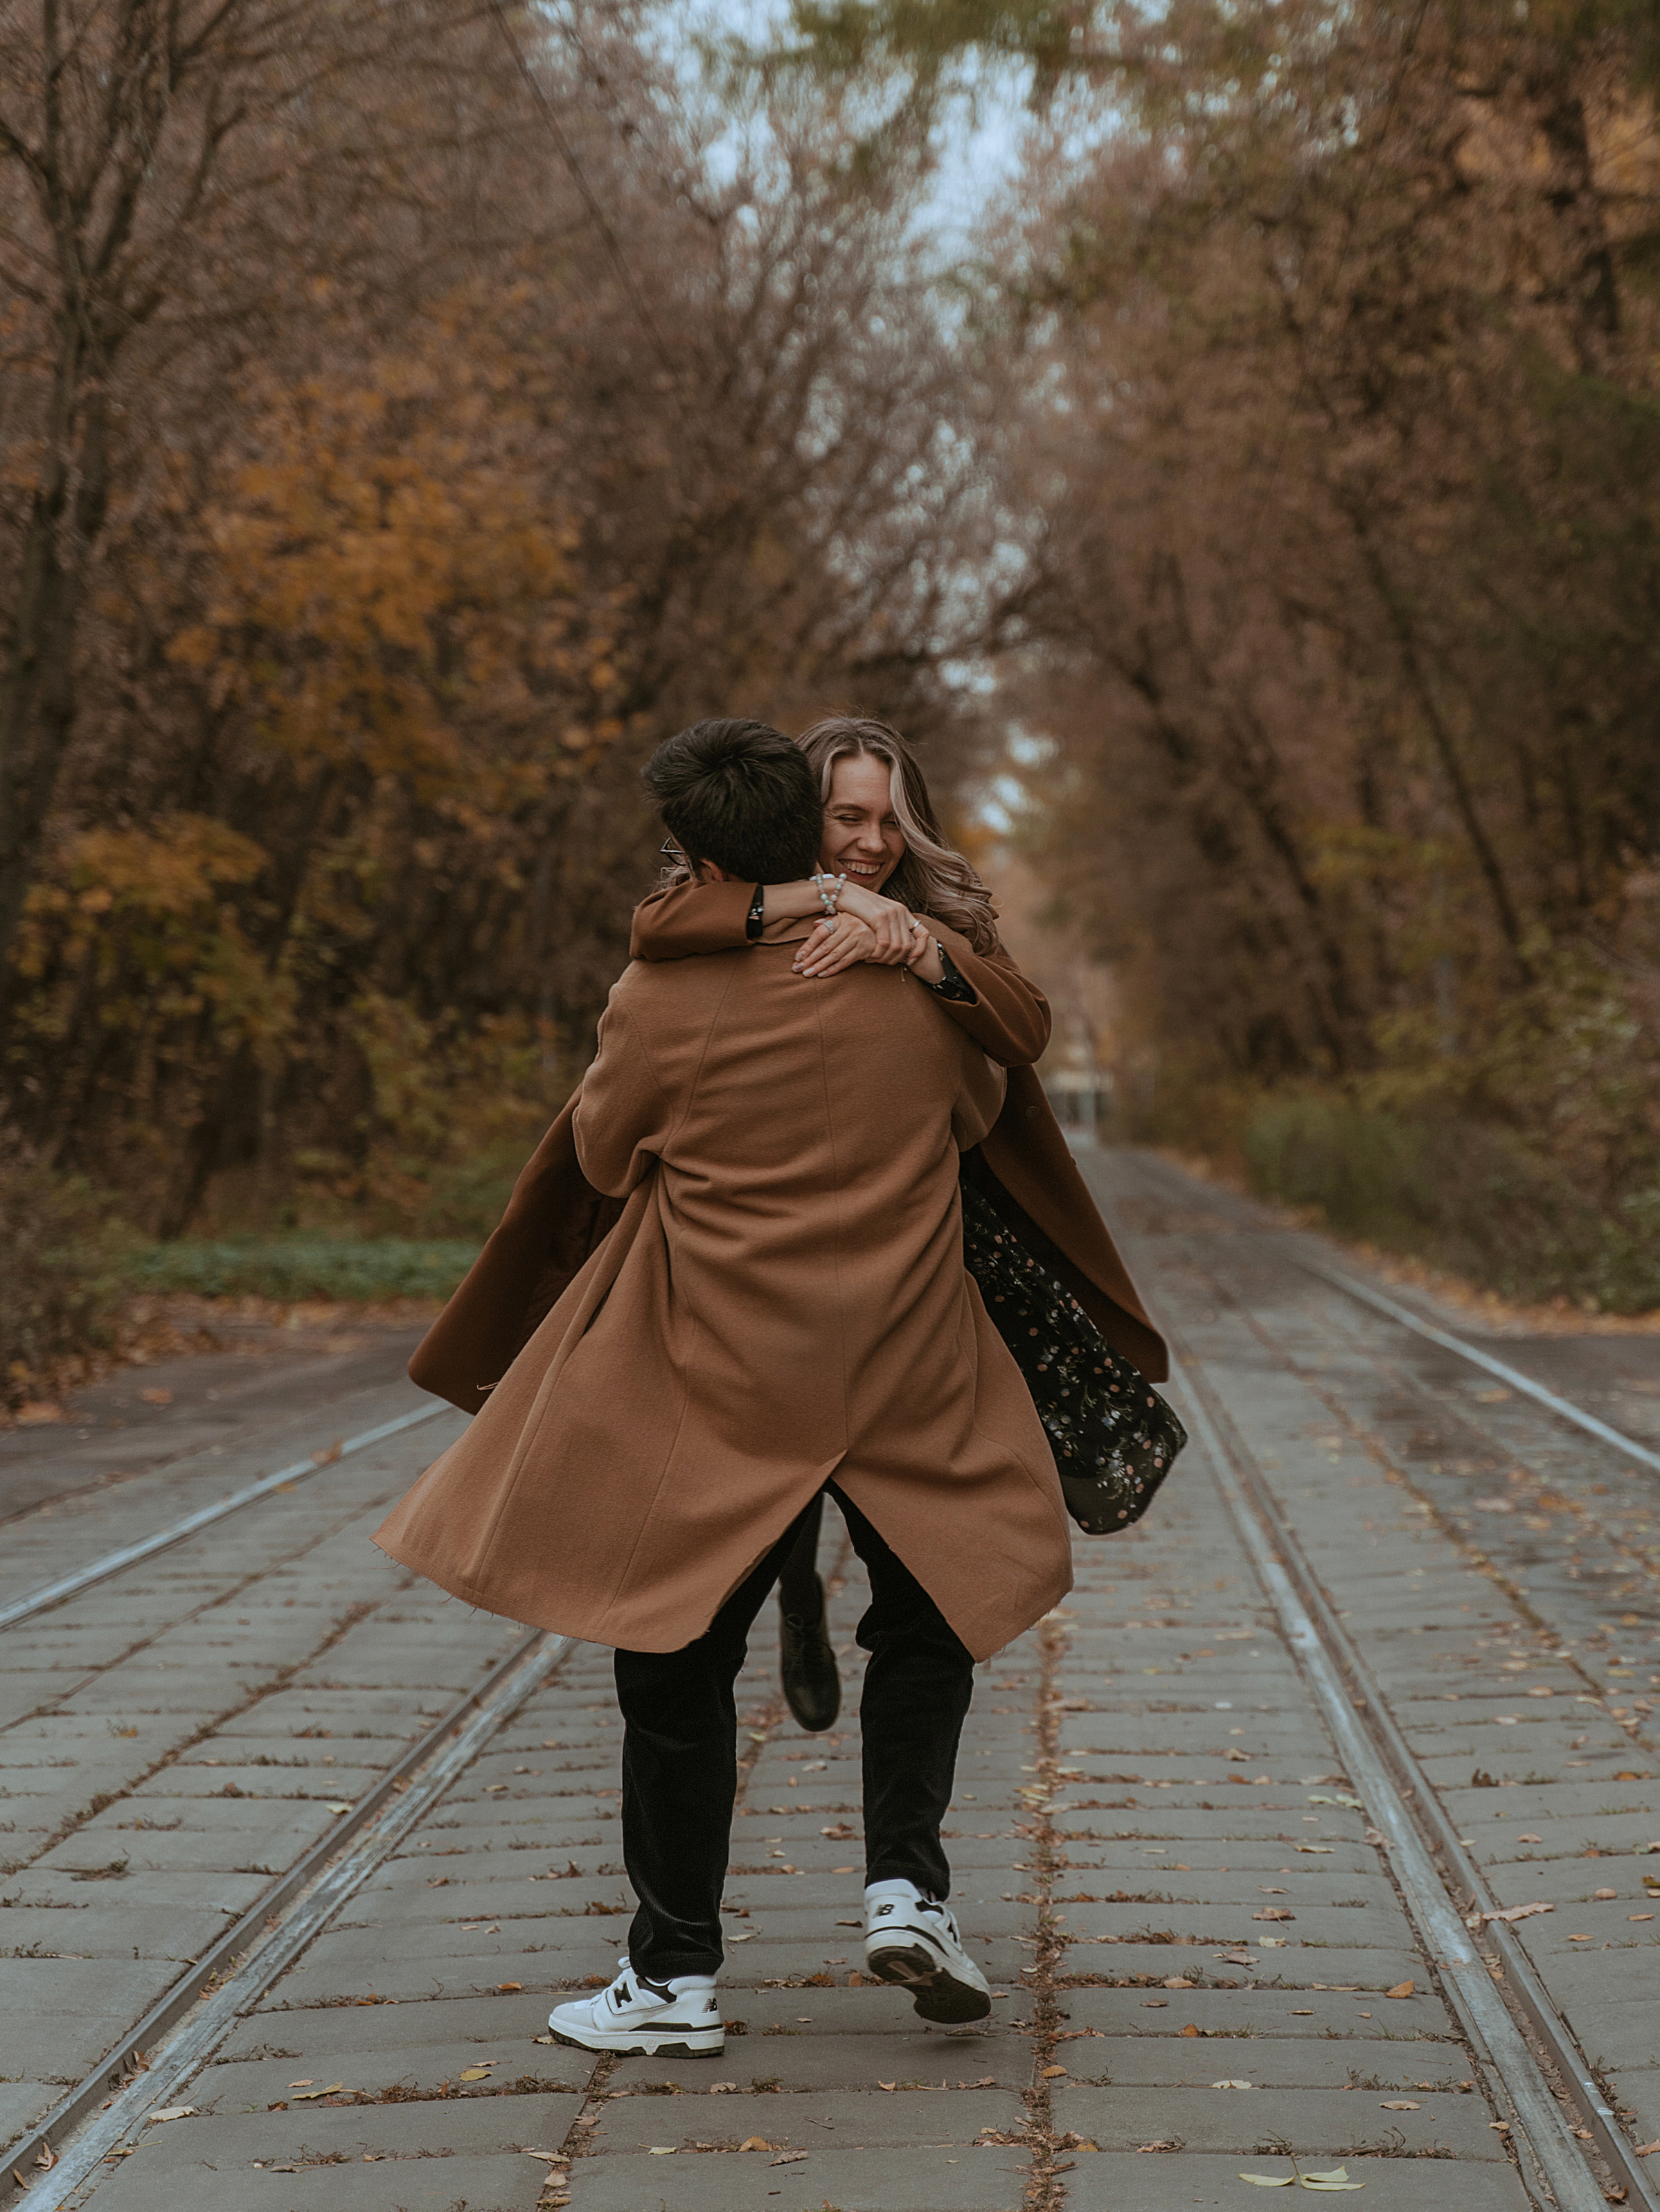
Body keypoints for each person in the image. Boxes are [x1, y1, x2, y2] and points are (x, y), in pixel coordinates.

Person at [376, 719, 1073, 2060]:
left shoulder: (660, 996)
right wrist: (907, 956)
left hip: (720, 1380)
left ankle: (673, 1971)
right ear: (799, 835)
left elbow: (602, 1141)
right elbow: (983, 1113)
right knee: (925, 1619)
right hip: (902, 1367)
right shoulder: (925, 1010)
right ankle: (905, 1888)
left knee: (674, 1655)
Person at [628, 714, 1174, 1696]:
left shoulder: (933, 920)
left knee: (919, 1484)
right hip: (764, 1259)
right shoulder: (736, 908)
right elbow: (652, 927)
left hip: (923, 1232)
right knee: (770, 1465)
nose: (871, 842)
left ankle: (859, 1605)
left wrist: (915, 942)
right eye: (846, 817)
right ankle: (797, 1591)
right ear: (803, 821)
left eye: (890, 820)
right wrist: (816, 898)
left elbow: (1025, 1027)